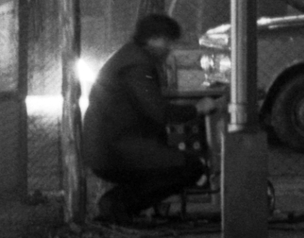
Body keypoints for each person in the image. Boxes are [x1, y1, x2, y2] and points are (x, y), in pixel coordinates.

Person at [83, 12, 221, 225]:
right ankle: (116, 206)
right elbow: (159, 112)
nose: (169, 47)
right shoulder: (138, 66)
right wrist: (197, 109)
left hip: (110, 145)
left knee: (171, 163)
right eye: (167, 41)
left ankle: (126, 207)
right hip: (116, 150)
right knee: (189, 168)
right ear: (154, 38)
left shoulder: (129, 57)